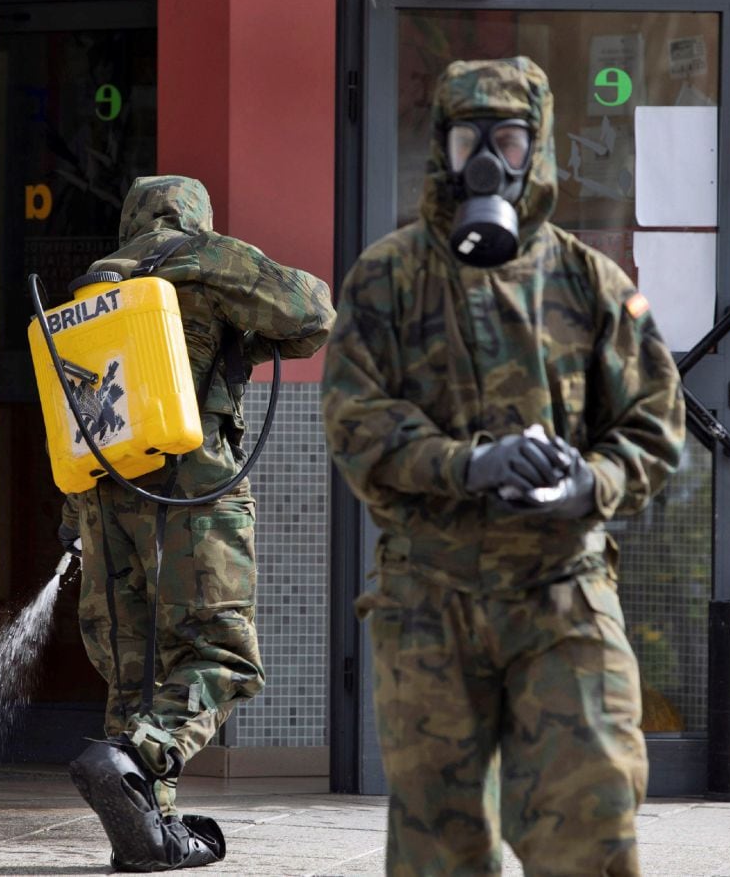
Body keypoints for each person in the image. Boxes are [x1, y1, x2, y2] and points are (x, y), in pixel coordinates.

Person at [320, 57, 685, 875]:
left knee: (590, 819)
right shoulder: (387, 279)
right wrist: (468, 464)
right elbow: (355, 420)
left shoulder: (592, 282)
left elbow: (656, 423)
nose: (488, 161)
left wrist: (588, 482)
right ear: (441, 151)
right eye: (468, 139)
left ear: (539, 150)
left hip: (562, 595)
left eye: (510, 140)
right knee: (439, 845)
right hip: (429, 597)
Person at [60, 174, 334, 871]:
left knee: (136, 670)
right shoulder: (206, 257)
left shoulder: (94, 285)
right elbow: (312, 314)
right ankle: (136, 758)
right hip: (194, 489)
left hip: (102, 495)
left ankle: (150, 829)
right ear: (195, 216)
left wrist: (74, 521)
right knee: (221, 652)